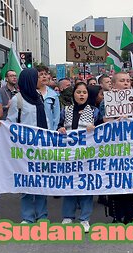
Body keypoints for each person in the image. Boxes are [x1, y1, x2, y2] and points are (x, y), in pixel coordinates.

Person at [6, 68, 50, 223]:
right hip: (25, 149)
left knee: (41, 182)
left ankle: (42, 215)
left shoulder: (39, 97)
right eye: (37, 77)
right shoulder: (17, 100)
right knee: (26, 183)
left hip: (42, 146)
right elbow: (11, 124)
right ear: (29, 80)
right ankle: (28, 216)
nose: (40, 79)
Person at [104, 72, 133, 224]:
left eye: (128, 81)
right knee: (115, 181)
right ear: (113, 84)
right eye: (122, 81)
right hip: (112, 148)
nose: (126, 83)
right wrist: (111, 120)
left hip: (132, 147)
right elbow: (101, 121)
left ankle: (131, 215)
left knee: (130, 181)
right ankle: (116, 214)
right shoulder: (106, 101)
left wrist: (132, 119)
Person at [58, 82, 100, 232]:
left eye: (84, 92)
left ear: (88, 95)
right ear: (73, 94)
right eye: (78, 92)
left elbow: (103, 130)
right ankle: (68, 216)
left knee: (85, 186)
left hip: (88, 155)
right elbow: (59, 125)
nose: (81, 95)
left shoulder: (95, 112)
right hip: (69, 154)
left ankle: (85, 218)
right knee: (69, 185)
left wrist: (94, 128)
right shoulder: (66, 110)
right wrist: (60, 128)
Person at [36, 65, 60, 130]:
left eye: (46, 74)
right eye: (41, 74)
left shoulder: (53, 95)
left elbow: (56, 117)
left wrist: (53, 131)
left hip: (49, 133)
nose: (44, 76)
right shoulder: (31, 94)